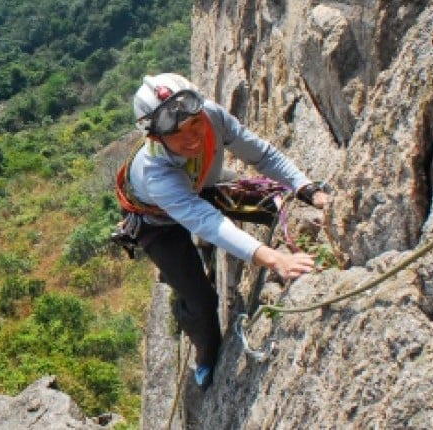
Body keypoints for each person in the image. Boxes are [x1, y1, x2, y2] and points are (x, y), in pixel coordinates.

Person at [113, 73, 332, 389]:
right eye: (180, 134)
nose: (194, 138)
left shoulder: (211, 115)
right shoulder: (155, 173)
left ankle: (200, 265)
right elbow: (208, 222)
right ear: (156, 138)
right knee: (201, 300)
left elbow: (261, 154)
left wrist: (306, 188)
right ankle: (206, 351)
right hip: (156, 223)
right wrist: (274, 260)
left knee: (279, 201)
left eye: (195, 124)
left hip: (201, 185)